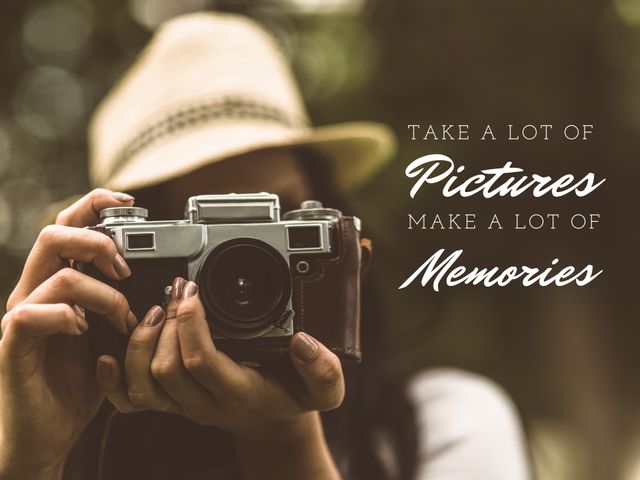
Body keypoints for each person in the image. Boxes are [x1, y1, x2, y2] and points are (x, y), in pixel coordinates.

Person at [0, 12, 531, 480]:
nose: (246, 270)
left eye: (282, 226)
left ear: (343, 245)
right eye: (203, 236)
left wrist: (284, 444)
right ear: (119, 265)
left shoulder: (449, 422)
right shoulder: (60, 437)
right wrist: (31, 464)